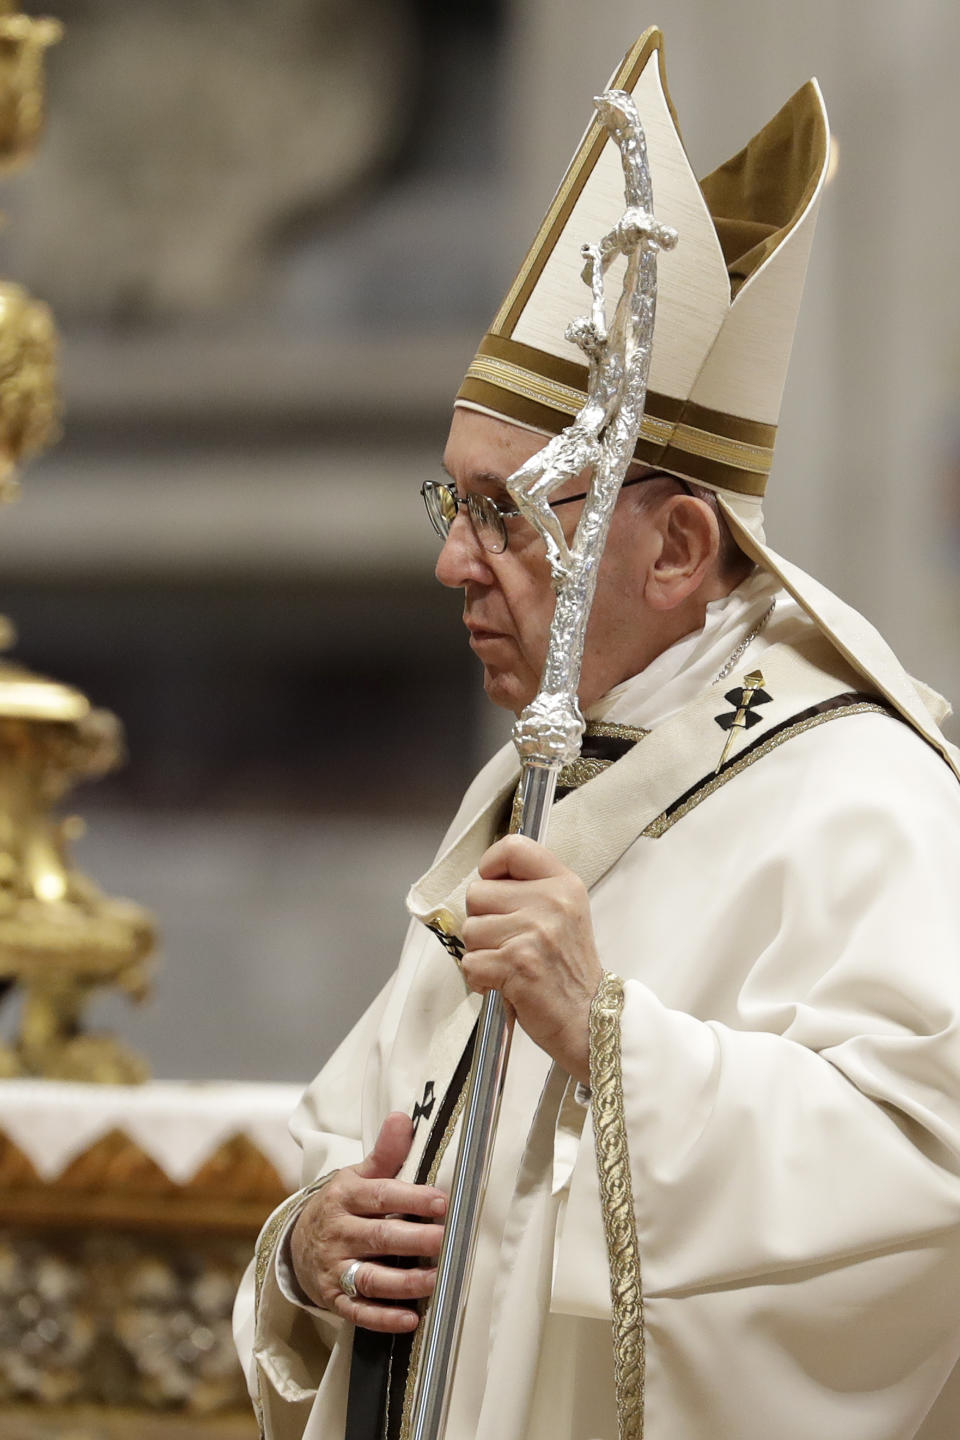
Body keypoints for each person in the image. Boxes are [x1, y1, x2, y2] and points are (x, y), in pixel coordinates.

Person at [234, 26, 960, 1440]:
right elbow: (376, 1127)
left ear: (682, 545)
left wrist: (616, 1041)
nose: (454, 563)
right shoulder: (543, 784)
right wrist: (315, 1245)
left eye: (505, 512)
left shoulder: (866, 802)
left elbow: (928, 1177)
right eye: (454, 508)